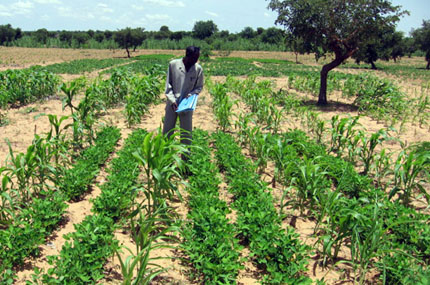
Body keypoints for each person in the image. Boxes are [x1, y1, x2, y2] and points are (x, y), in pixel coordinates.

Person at [163, 46, 204, 151]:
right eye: (194, 58)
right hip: (172, 103)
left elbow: (199, 87)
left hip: (186, 105)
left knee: (186, 133)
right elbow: (168, 85)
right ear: (187, 56)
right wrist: (172, 100)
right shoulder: (173, 65)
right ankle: (164, 158)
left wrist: (190, 96)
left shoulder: (198, 69)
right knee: (167, 131)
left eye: (197, 58)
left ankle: (185, 159)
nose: (196, 60)